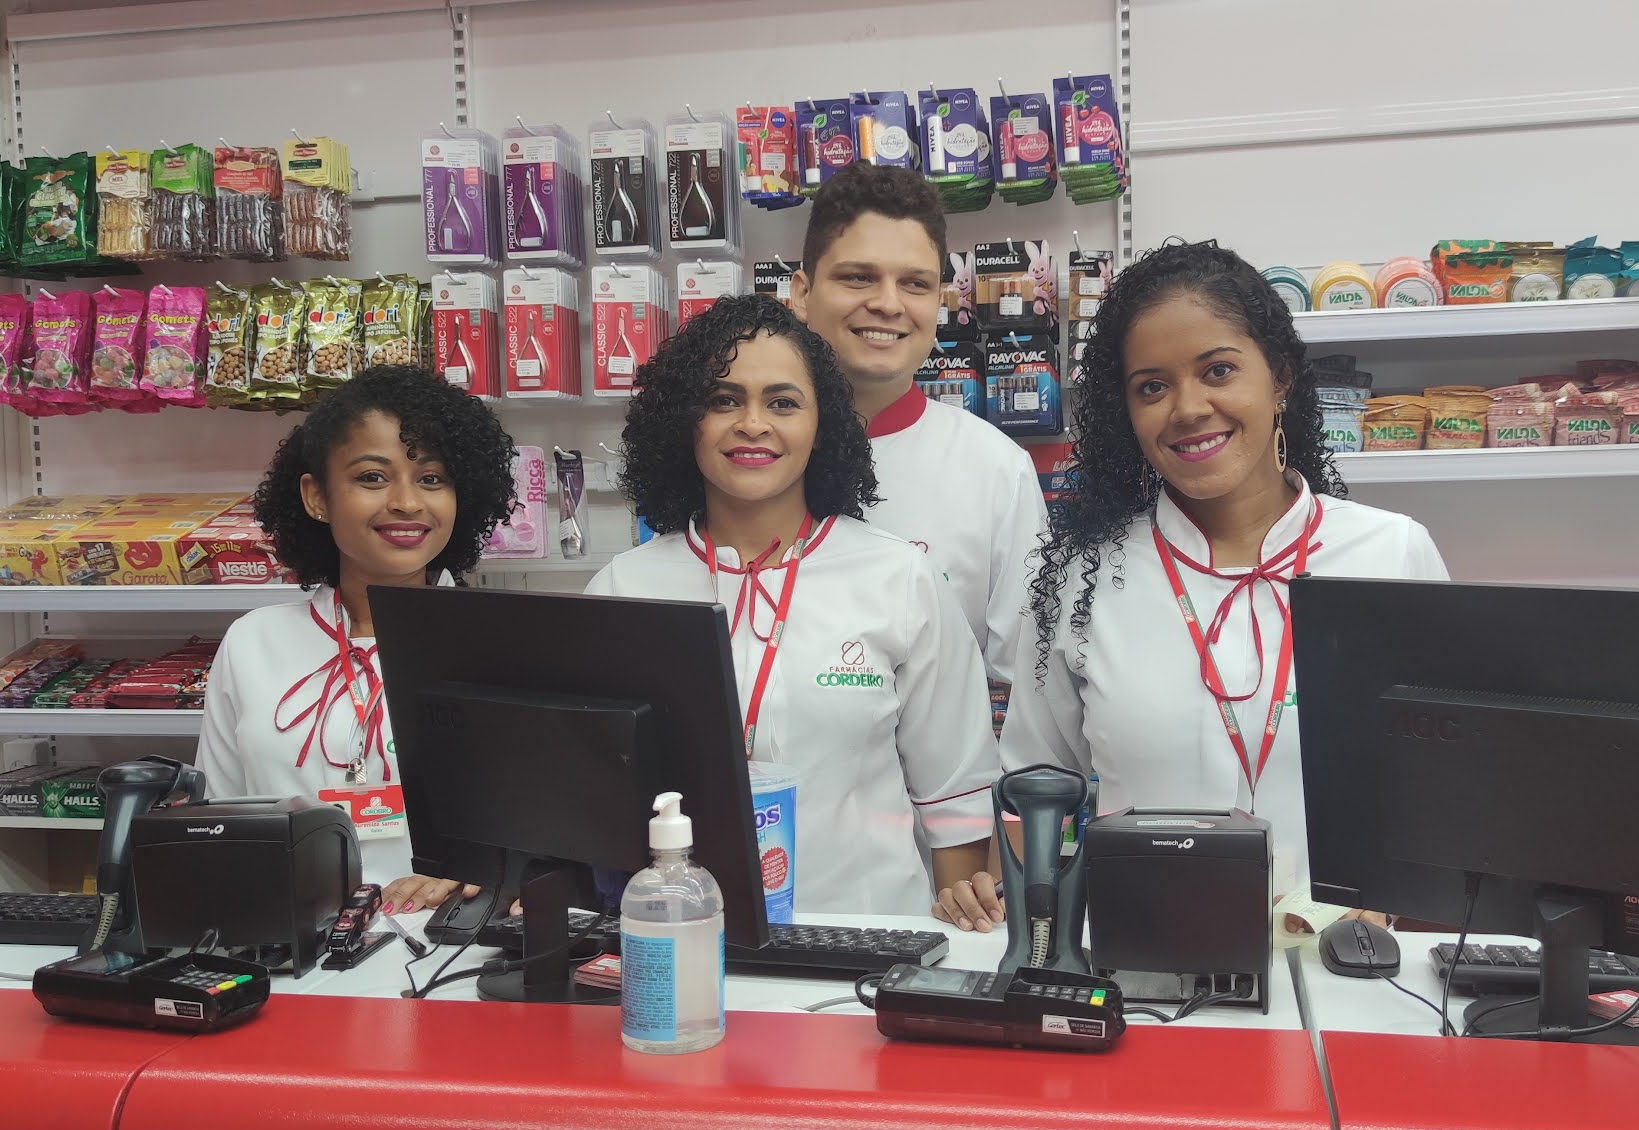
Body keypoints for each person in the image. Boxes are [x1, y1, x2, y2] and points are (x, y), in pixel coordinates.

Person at [970, 241, 1450, 936]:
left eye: (1218, 370)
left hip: (1339, 968)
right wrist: (1017, 923)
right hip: (1137, 964)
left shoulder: (1391, 554)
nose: (1188, 408)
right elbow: (1032, 785)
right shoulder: (1084, 577)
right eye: (1151, 387)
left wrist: (1397, 904)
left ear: (1280, 376)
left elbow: (1441, 788)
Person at [587, 293, 999, 917]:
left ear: (821, 424)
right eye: (724, 400)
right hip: (680, 934)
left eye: (783, 402)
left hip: (869, 936)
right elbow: (588, 794)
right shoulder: (625, 589)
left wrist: (959, 936)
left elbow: (954, 792)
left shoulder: (899, 577)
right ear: (683, 421)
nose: (753, 424)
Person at [196, 366, 516, 909]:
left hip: (450, 936)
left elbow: (547, 839)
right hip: (291, 936)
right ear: (316, 496)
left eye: (432, 479)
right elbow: (220, 825)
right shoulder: (253, 643)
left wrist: (485, 875)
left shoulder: (505, 644)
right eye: (372, 477)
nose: (407, 502)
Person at [789, 163, 1049, 696]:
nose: (888, 304)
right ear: (801, 293)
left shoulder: (997, 471)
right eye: (858, 277)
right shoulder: (746, 456)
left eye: (914, 283)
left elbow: (1026, 687)